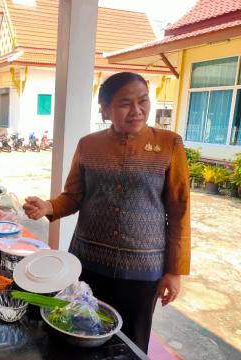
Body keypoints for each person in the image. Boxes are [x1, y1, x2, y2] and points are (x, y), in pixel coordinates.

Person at [23, 72, 191, 353]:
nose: (136, 111)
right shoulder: (88, 145)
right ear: (105, 109)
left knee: (131, 344)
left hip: (143, 270)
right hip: (88, 263)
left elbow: (179, 211)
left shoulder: (169, 144)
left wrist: (175, 271)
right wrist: (49, 206)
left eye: (143, 101)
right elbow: (74, 196)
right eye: (125, 103)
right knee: (78, 328)